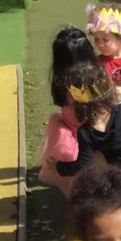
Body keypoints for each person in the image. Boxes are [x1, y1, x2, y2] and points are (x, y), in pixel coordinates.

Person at [39, 26, 99, 195]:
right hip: (82, 134)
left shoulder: (60, 79)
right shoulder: (82, 84)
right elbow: (92, 116)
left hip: (71, 127)